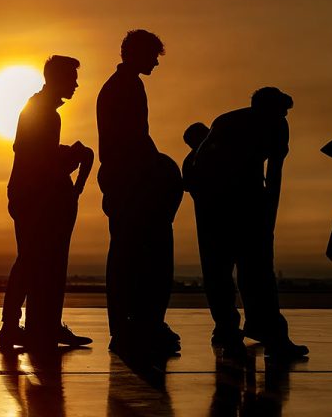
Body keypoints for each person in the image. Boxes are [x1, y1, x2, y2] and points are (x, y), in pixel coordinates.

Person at [191, 87, 308, 359]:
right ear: (262, 109)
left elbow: (274, 172)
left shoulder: (274, 125)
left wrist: (268, 215)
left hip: (246, 202)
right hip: (218, 204)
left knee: (254, 271)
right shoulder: (229, 124)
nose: (283, 118)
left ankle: (262, 329)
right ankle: (230, 331)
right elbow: (202, 163)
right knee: (224, 271)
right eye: (280, 112)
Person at [97, 29, 183, 357]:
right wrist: (158, 169)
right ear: (136, 54)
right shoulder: (125, 87)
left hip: (127, 180)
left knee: (129, 255)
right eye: (152, 56)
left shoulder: (123, 85)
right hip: (131, 183)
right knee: (140, 256)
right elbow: (133, 139)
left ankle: (133, 326)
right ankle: (137, 326)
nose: (156, 63)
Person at [0, 55, 93, 350]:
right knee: (31, 261)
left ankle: (41, 326)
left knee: (41, 263)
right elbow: (38, 160)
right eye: (72, 79)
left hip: (32, 195)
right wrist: (71, 157)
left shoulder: (40, 109)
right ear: (57, 79)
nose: (76, 85)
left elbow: (36, 152)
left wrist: (66, 154)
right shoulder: (43, 112)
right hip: (33, 197)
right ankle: (13, 327)